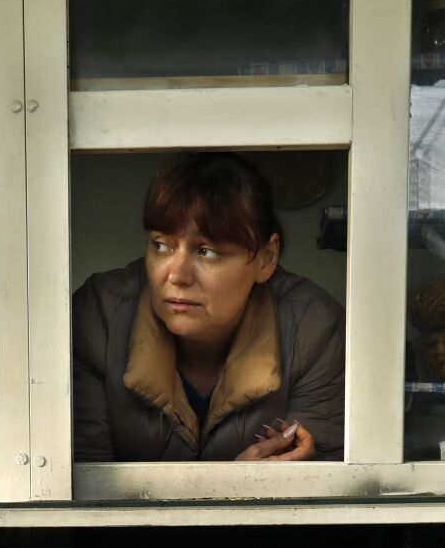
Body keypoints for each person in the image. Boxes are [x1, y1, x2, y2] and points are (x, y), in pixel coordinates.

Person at [71, 152, 345, 462]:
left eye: (208, 251)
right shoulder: (100, 317)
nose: (176, 275)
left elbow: (320, 491)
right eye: (161, 245)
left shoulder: (312, 328)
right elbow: (83, 496)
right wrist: (235, 489)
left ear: (266, 259)